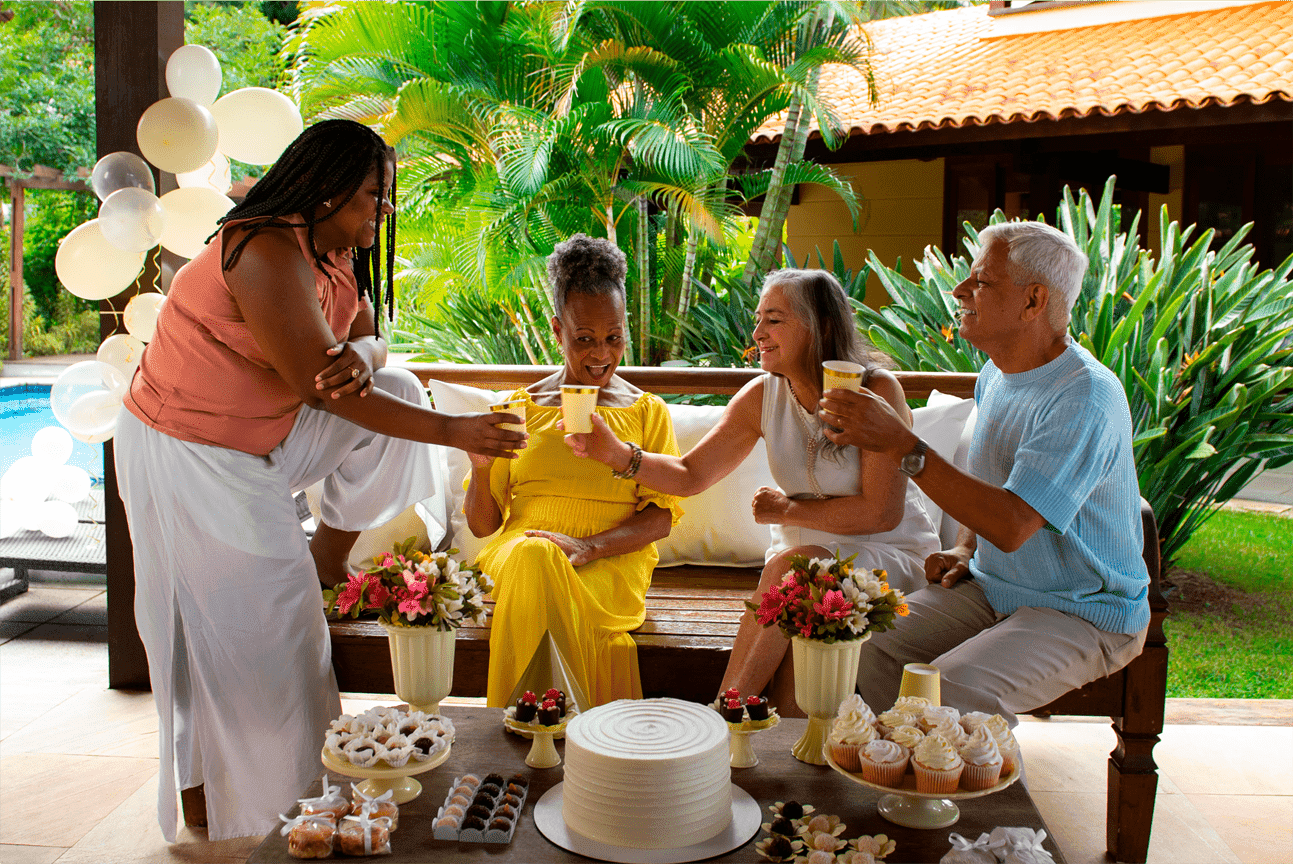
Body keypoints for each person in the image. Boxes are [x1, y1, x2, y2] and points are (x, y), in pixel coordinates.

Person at [115, 119, 525, 842]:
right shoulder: (265, 249)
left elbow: (369, 343)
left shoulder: (335, 254)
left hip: (262, 443)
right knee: (269, 631)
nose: (383, 210)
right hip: (189, 451)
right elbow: (324, 389)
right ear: (329, 190)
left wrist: (364, 351)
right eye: (373, 194)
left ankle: (327, 554)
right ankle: (274, 818)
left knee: (395, 377)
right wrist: (458, 433)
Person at [819, 221, 1150, 724]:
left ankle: (960, 792)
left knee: (950, 690)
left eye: (982, 281)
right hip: (992, 587)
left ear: (1034, 301)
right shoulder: (997, 373)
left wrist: (901, 444)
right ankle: (900, 775)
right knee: (862, 643)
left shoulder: (1083, 397)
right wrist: (965, 548)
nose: (959, 290)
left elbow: (1014, 523)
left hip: (1082, 610)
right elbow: (994, 480)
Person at [568, 269, 939, 714]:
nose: (757, 332)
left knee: (793, 571)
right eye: (759, 318)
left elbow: (881, 514)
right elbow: (689, 475)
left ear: (818, 326)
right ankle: (748, 750)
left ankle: (720, 717)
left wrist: (787, 509)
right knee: (791, 692)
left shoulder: (876, 391)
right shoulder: (763, 396)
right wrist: (619, 456)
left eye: (774, 320)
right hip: (802, 571)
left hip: (886, 556)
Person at [465, 233, 683, 709]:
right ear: (557, 330)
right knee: (536, 557)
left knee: (542, 562)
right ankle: (575, 729)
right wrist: (481, 470)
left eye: (614, 338)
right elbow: (484, 525)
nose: (600, 354)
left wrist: (590, 548)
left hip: (611, 562)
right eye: (584, 339)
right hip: (521, 555)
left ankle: (531, 730)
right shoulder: (516, 408)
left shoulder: (647, 413)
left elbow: (661, 517)